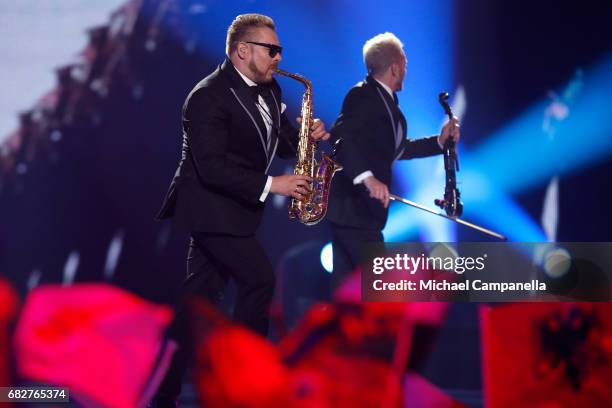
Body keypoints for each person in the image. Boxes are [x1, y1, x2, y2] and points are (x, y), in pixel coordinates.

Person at [153, 13, 329, 406]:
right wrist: (273, 184)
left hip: (237, 211)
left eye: (280, 50)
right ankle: (245, 386)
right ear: (242, 51)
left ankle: (161, 391)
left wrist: (308, 132)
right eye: (271, 50)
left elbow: (285, 145)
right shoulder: (207, 96)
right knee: (259, 280)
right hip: (210, 209)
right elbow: (212, 167)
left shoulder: (269, 91)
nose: (279, 58)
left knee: (196, 306)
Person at [327, 32, 459, 288]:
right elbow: (340, 137)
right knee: (376, 292)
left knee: (351, 294)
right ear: (396, 68)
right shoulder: (362, 96)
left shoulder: (388, 105)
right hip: (354, 210)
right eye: (406, 64)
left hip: (363, 216)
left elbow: (398, 149)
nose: (407, 70)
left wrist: (439, 142)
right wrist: (368, 179)